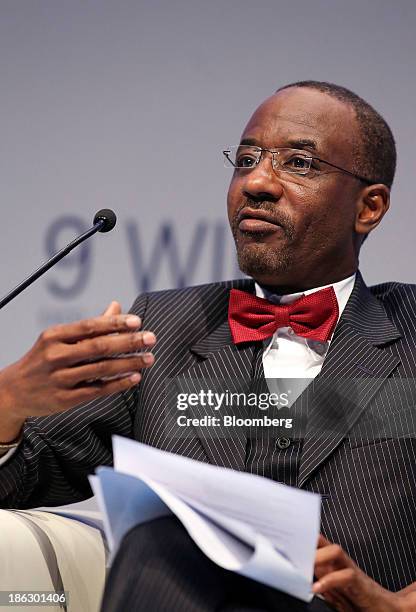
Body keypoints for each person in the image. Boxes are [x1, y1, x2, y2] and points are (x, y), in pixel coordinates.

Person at [0, 81, 416, 611]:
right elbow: (23, 477)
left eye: (299, 164)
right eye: (246, 160)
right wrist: (9, 400)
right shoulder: (165, 325)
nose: (257, 183)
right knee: (159, 540)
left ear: (369, 207)